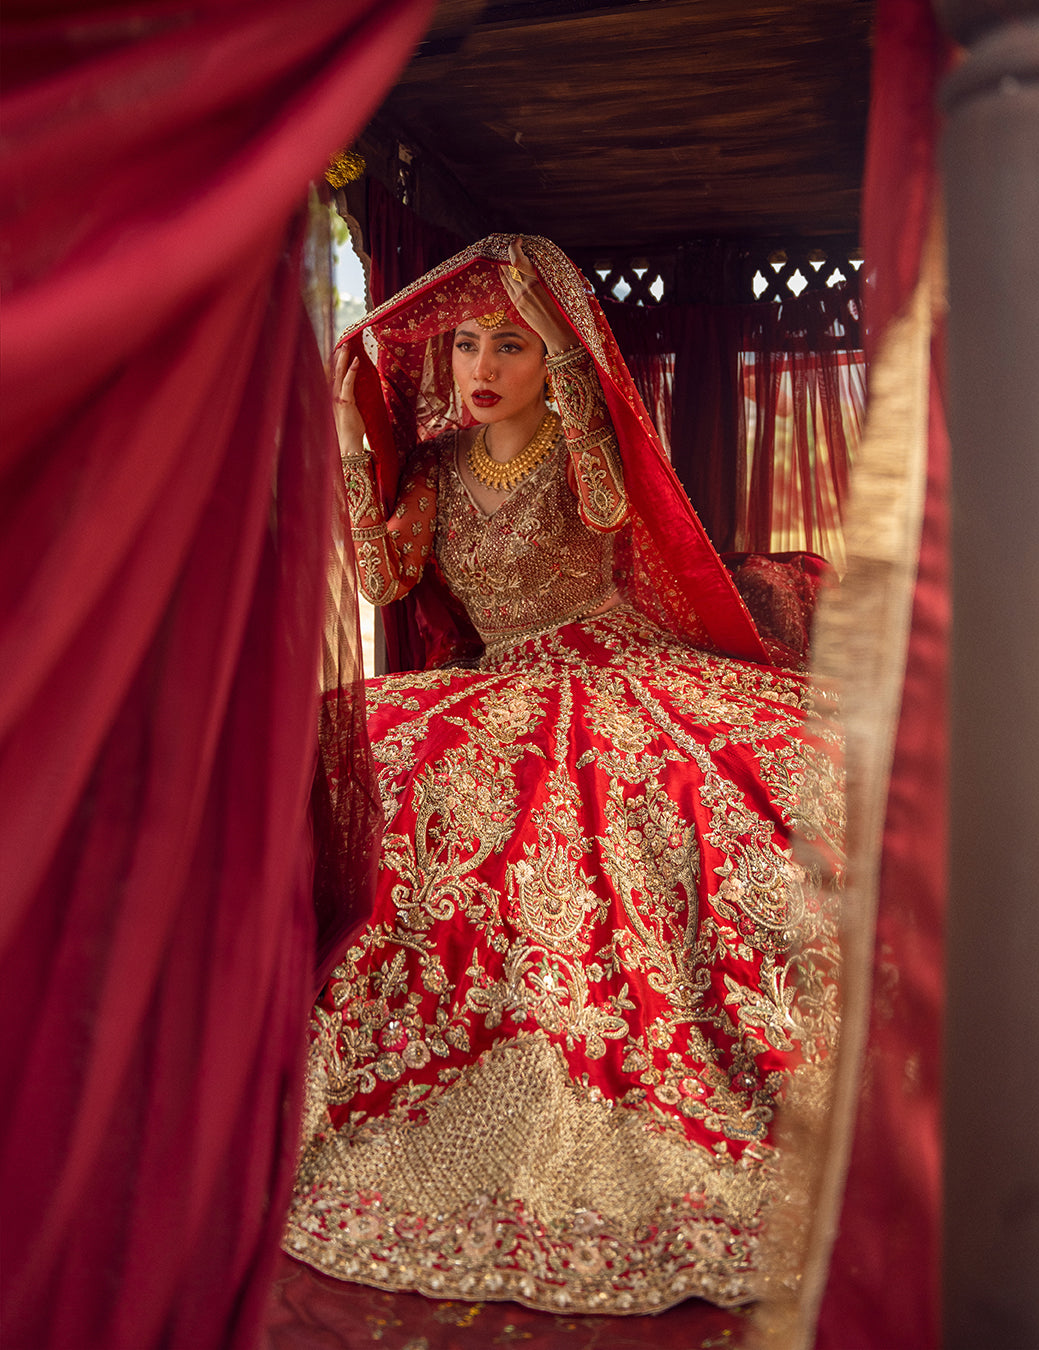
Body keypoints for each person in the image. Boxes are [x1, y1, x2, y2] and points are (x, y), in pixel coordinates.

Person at [282, 234, 843, 1315]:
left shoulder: (578, 446)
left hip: (609, 663)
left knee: (695, 794)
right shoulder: (438, 466)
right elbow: (386, 576)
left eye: (512, 345)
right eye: (465, 346)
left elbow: (607, 512)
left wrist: (577, 361)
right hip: (496, 677)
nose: (481, 368)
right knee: (355, 751)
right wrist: (354, 439)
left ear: (554, 359)